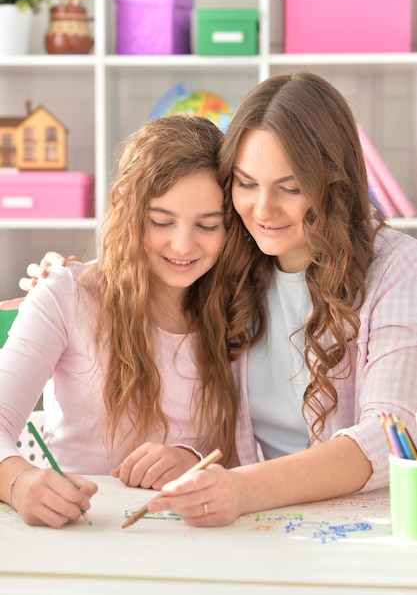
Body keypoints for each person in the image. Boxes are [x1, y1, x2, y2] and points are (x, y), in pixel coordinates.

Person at [6, 72, 417, 527]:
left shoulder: (391, 269)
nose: (262, 211)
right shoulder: (237, 265)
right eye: (246, 183)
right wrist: (71, 282)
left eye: (291, 187)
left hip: (351, 524)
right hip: (244, 526)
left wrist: (233, 482)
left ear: (332, 184)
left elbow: (390, 434)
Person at [0, 114, 260, 528]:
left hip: (197, 536)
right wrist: (19, 482)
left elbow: (255, 449)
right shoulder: (65, 294)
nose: (182, 245)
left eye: (208, 225)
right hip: (83, 530)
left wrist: (191, 460)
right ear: (125, 201)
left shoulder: (239, 310)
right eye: (161, 221)